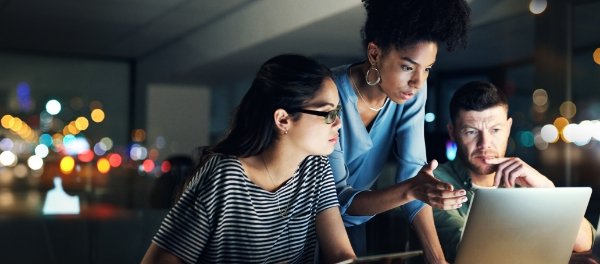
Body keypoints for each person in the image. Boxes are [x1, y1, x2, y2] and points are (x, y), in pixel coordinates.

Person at [141, 54, 356, 263]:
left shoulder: (315, 167)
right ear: (283, 119)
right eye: (328, 114)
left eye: (338, 112)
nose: (338, 123)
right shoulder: (225, 177)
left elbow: (341, 255)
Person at [329, 0, 471, 262]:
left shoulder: (411, 94)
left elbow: (415, 175)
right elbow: (337, 200)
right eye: (407, 67)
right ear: (374, 54)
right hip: (309, 227)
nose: (418, 82)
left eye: (427, 68)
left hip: (356, 226)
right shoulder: (329, 93)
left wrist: (437, 259)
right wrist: (413, 189)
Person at [432, 80, 596, 263]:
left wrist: (545, 188)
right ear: (452, 132)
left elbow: (587, 244)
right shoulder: (435, 183)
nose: (484, 143)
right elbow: (472, 254)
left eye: (495, 130)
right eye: (471, 132)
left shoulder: (523, 181)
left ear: (508, 128)